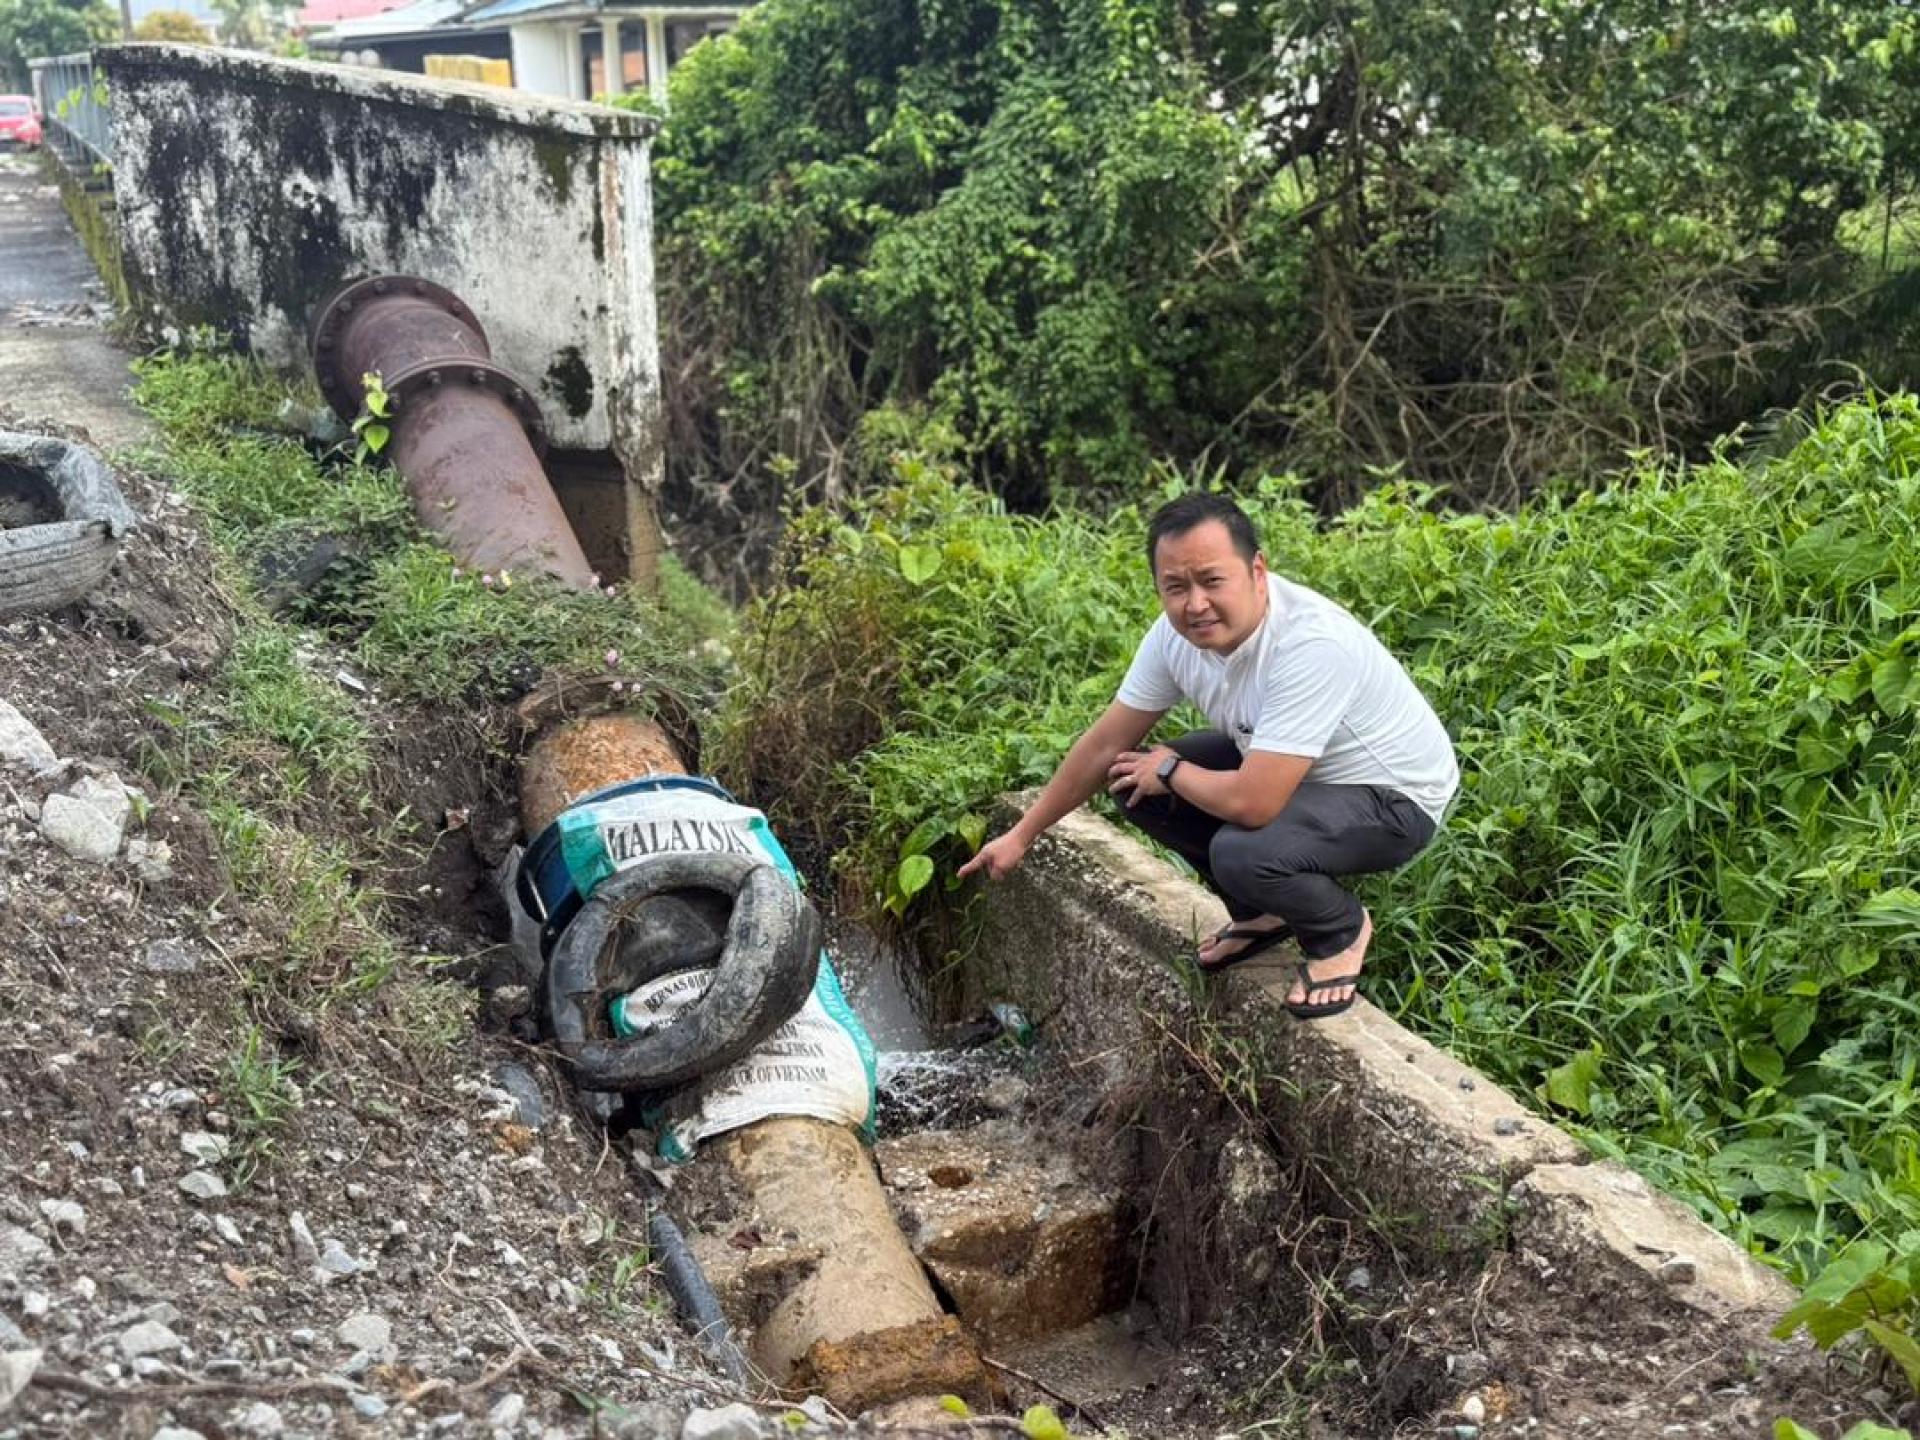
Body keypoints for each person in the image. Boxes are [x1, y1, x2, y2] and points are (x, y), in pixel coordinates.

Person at [957, 493, 1457, 1019]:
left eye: (1212, 581)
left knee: (1242, 851)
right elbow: (1105, 743)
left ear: (1257, 571)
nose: (1195, 604)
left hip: (1394, 797)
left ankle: (1340, 931)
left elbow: (1254, 804)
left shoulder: (1311, 644)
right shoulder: (1173, 639)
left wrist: (1171, 770)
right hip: (1291, 767)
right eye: (1176, 587)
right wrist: (1022, 835)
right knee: (1130, 776)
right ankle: (1260, 915)